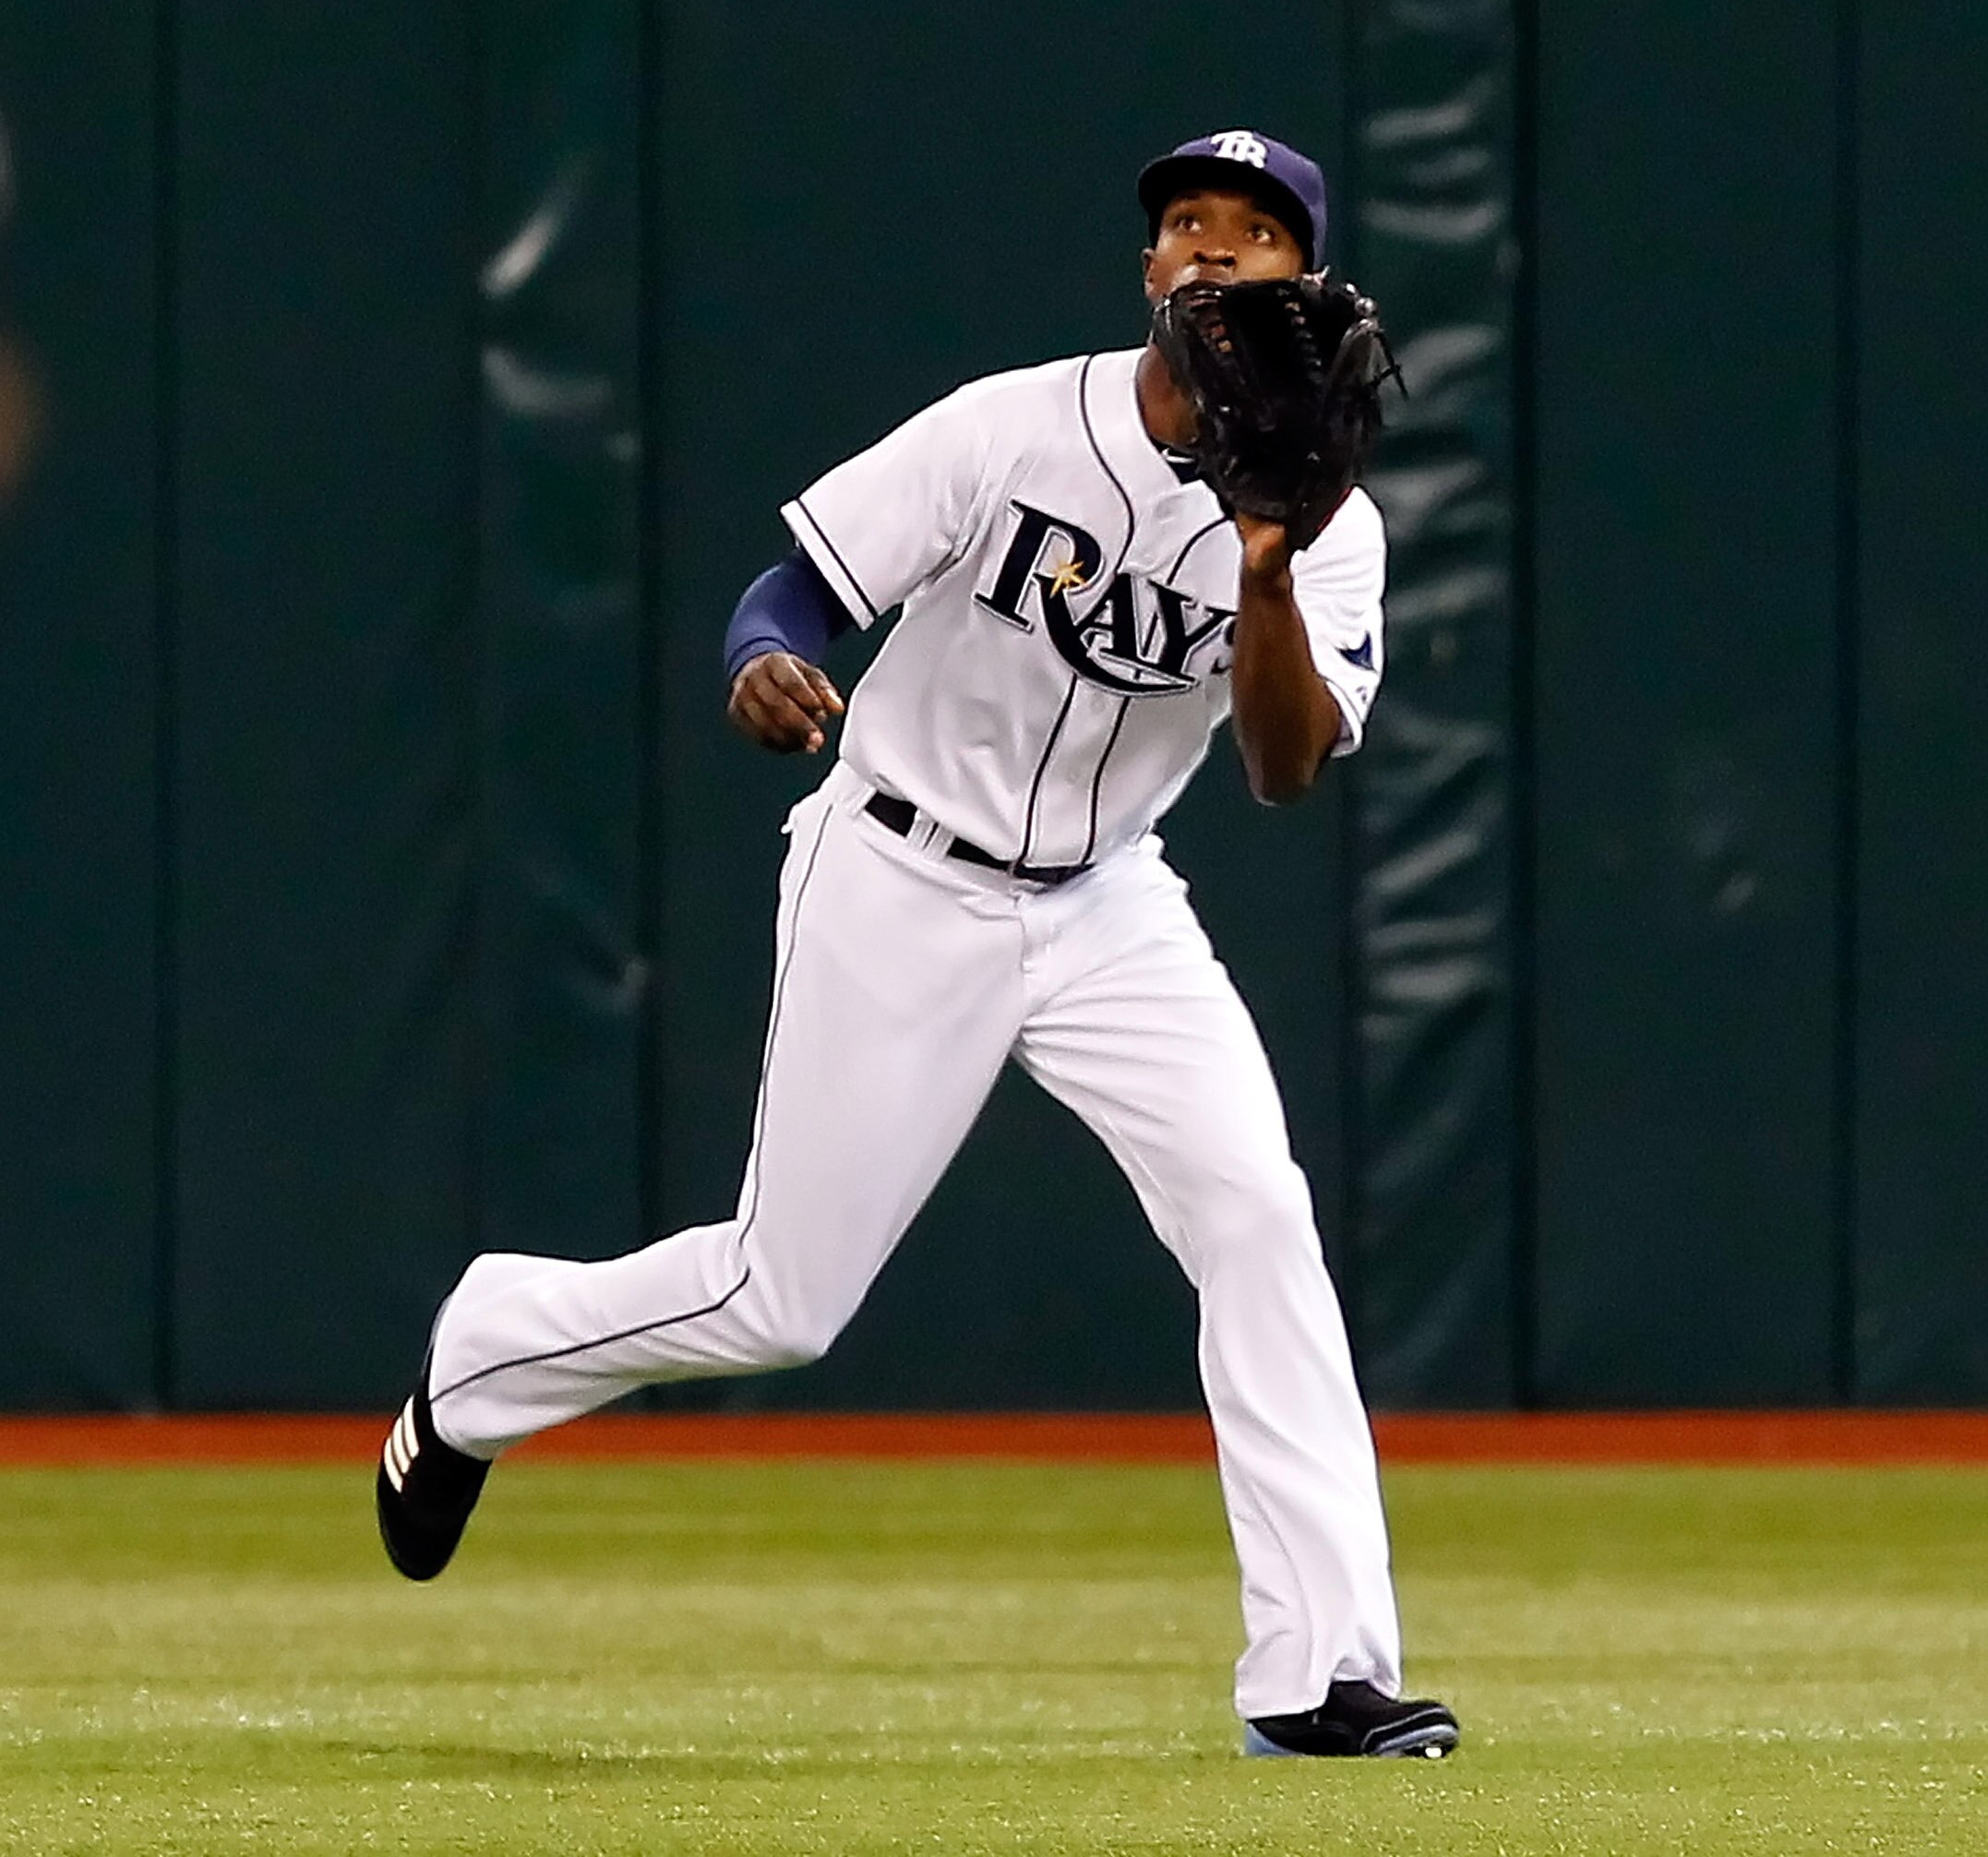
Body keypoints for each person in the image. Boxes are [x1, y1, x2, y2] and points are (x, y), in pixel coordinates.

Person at [377, 127, 1458, 1764]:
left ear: (1302, 278)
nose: (1215, 252)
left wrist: (1262, 561)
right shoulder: (1014, 423)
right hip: (901, 869)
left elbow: (1285, 763)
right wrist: (759, 663)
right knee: (781, 1300)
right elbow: (795, 589)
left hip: (1107, 901)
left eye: (1253, 232)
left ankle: (1318, 1679)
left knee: (1257, 1222)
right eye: (1185, 225)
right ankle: (485, 1353)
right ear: (1146, 269)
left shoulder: (1328, 524)